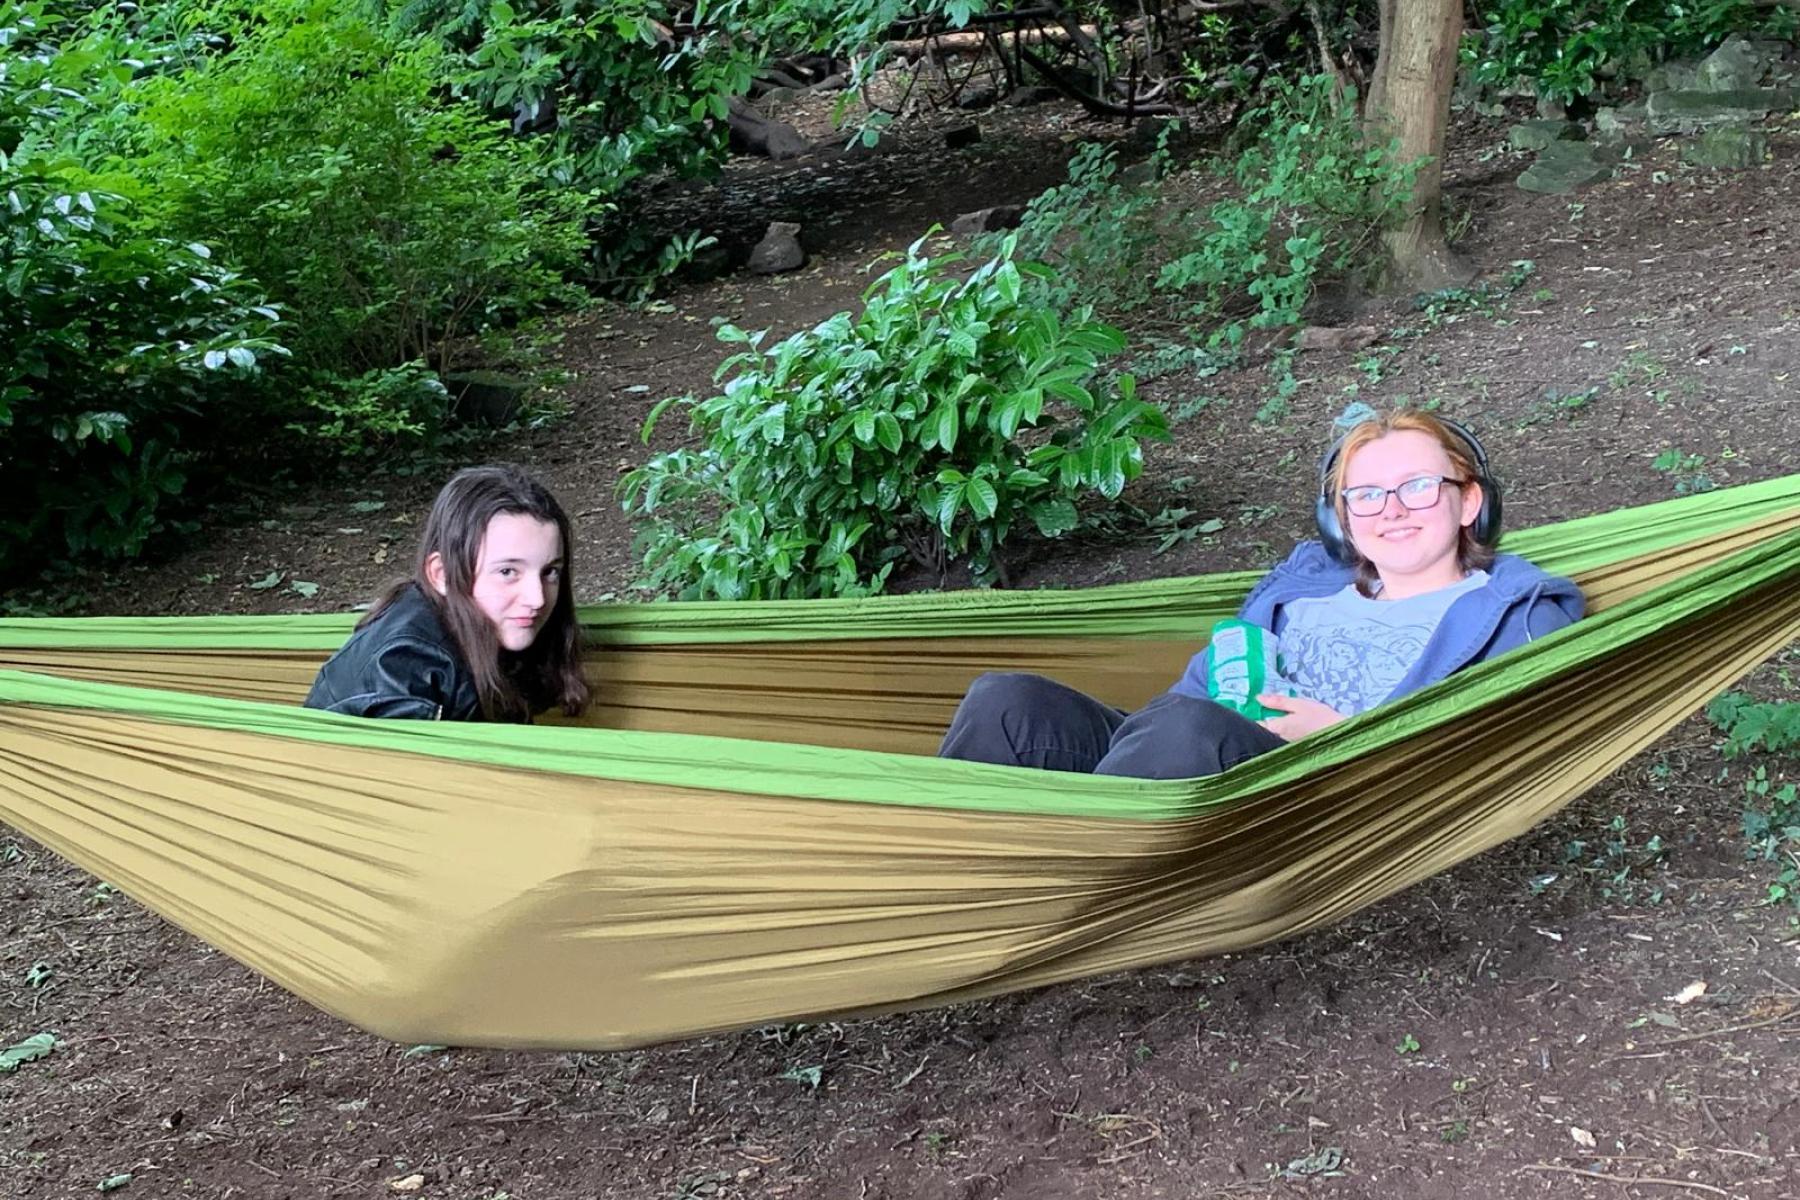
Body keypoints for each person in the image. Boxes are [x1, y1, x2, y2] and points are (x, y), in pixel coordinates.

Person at [938, 410, 1584, 779]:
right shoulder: (1299, 590)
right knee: (1006, 701)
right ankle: (967, 872)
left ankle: (1067, 875)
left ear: (1470, 501)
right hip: (1181, 752)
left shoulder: (1516, 614)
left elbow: (1494, 752)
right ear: (1341, 522)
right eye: (1365, 496)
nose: (1391, 510)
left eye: (1418, 486)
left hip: (1306, 788)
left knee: (1187, 729)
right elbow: (1190, 699)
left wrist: (1339, 732)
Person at [304, 464, 589, 722]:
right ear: (442, 574)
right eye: (507, 572)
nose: (537, 598)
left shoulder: (491, 625)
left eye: (550, 571)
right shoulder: (403, 669)